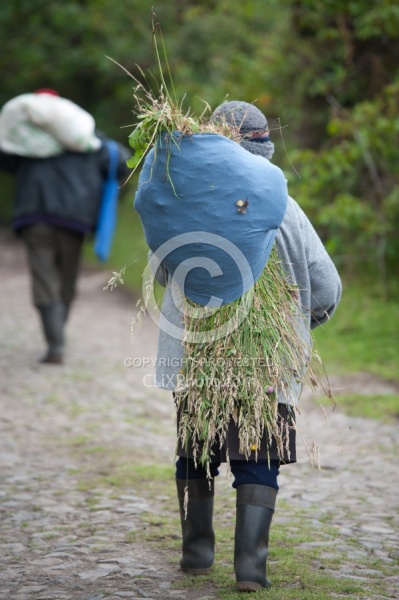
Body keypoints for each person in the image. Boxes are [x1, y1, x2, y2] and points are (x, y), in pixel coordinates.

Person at [150, 101, 342, 591]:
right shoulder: (285, 208)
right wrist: (299, 324)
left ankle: (195, 554)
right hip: (267, 362)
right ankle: (250, 570)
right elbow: (325, 289)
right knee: (258, 452)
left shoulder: (186, 204)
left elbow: (169, 272)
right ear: (263, 146)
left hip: (199, 352)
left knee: (196, 445)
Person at [0, 91, 131, 365]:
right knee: (67, 277)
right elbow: (121, 161)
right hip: (75, 220)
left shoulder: (28, 143)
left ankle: (55, 342)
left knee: (44, 277)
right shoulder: (91, 142)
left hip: (34, 215)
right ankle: (58, 336)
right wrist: (111, 198)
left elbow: (7, 160)